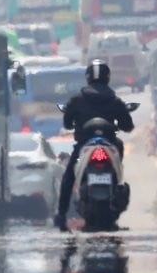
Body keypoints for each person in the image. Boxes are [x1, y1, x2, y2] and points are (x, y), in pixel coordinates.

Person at [54, 59, 135, 231]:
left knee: (69, 177)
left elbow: (67, 123)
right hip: (109, 143)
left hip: (84, 144)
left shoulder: (77, 100)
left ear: (88, 77)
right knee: (119, 156)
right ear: (107, 77)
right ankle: (117, 183)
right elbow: (128, 126)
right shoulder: (115, 100)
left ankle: (60, 214)